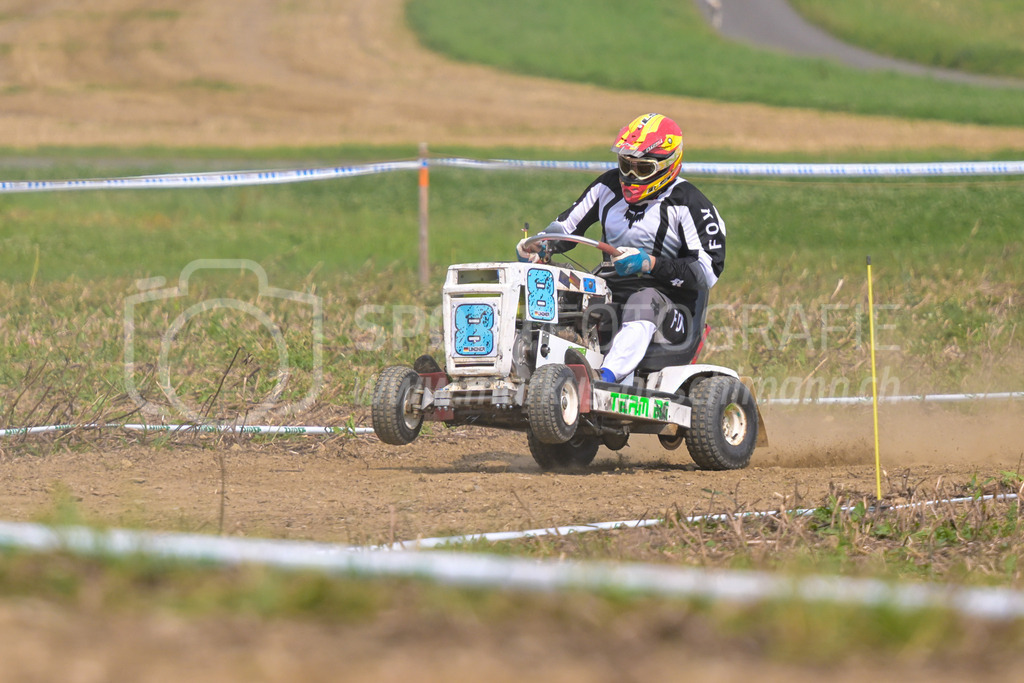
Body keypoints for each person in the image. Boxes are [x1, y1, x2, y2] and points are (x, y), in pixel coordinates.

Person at [517, 113, 726, 383]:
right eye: (626, 165)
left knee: (643, 301)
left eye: (642, 169)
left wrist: (651, 264)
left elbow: (707, 271)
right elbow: (565, 229)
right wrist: (540, 246)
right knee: (556, 287)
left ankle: (604, 379)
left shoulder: (691, 204)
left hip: (673, 310)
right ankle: (523, 363)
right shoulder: (607, 186)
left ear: (668, 165)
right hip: (611, 293)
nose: (630, 176)